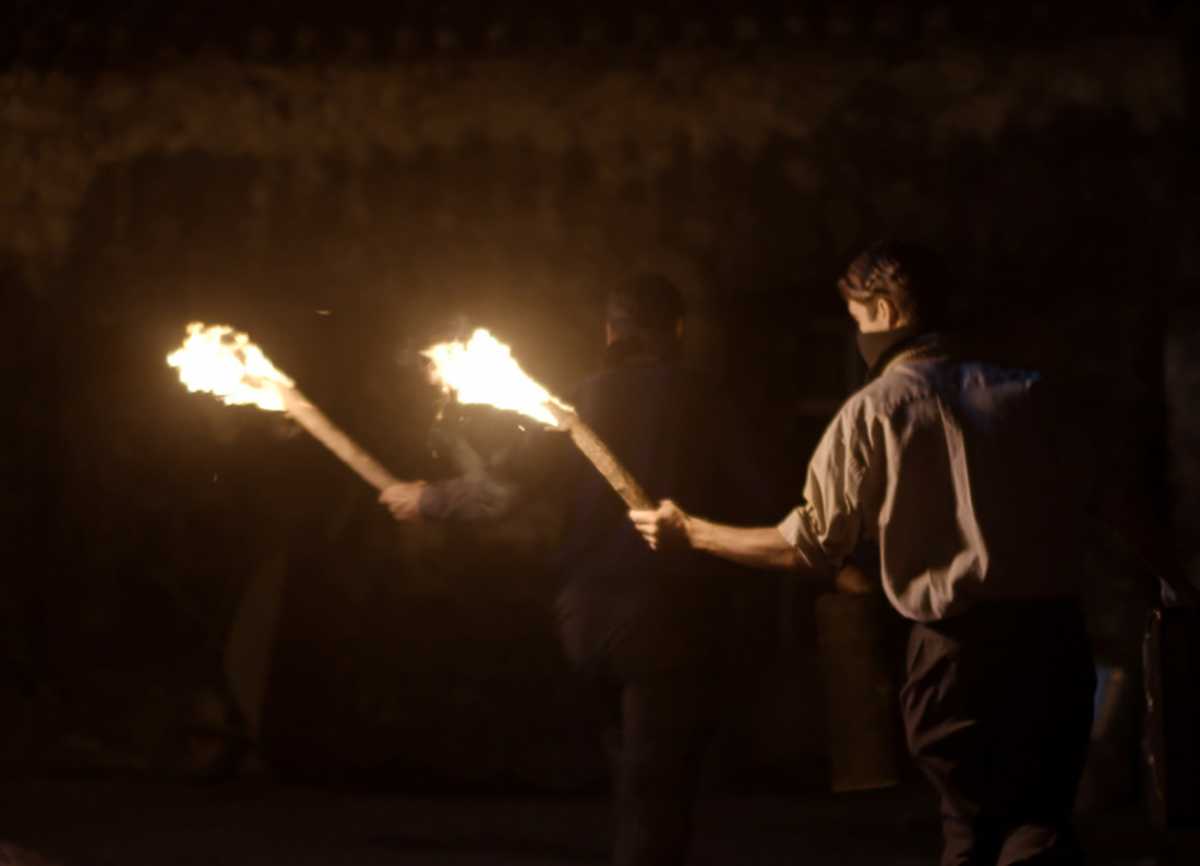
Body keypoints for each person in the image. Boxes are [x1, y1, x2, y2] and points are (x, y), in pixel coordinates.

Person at [631, 242, 1097, 866]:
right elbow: (1109, 503)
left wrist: (692, 533)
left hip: (958, 658)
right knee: (1040, 826)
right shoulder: (1034, 394)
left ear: (882, 310)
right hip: (1055, 648)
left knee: (972, 829)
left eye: (856, 321)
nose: (856, 337)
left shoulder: (875, 411)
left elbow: (810, 545)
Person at [380, 273, 780, 866]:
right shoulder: (708, 400)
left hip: (587, 620)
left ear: (610, 330)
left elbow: (500, 494)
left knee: (633, 780)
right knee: (656, 795)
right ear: (677, 331)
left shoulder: (574, 402)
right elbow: (763, 497)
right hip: (669, 619)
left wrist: (427, 500)